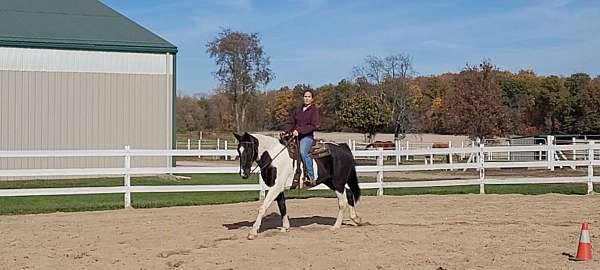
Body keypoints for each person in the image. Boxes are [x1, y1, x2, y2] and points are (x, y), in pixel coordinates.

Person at [287, 89, 320, 187]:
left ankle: (311, 176)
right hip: (296, 135)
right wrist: (288, 131)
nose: (307, 98)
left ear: (312, 99)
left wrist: (299, 131)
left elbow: (314, 125)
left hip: (307, 137)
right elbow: (291, 122)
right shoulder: (298, 110)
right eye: (305, 96)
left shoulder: (314, 110)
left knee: (303, 151)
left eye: (309, 97)